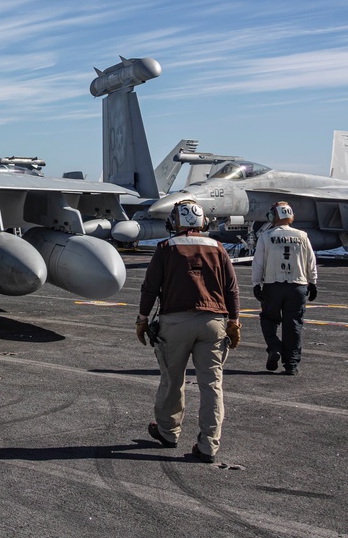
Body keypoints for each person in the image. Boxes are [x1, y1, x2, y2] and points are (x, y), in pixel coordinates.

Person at [136, 199, 240, 464]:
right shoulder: (218, 248)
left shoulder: (165, 247)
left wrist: (142, 319)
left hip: (175, 322)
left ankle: (168, 432)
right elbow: (231, 289)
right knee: (212, 386)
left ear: (175, 221)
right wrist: (235, 322)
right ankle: (209, 446)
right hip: (214, 322)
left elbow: (150, 287)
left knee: (173, 379)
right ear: (203, 221)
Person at [251, 201, 318, 376]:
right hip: (298, 286)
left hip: (273, 286)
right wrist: (313, 282)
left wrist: (256, 284)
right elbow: (311, 261)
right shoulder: (302, 236)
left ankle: (274, 347)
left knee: (268, 319)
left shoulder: (266, 236)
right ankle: (292, 365)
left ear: (274, 216)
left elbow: (258, 263)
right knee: (294, 325)